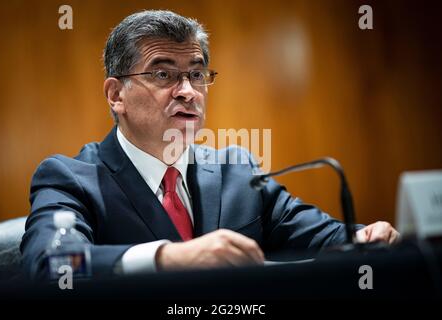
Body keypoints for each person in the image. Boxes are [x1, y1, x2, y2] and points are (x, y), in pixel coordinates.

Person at [20, 10, 399, 280]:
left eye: (197, 74)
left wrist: (365, 236)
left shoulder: (238, 170)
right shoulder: (70, 177)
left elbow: (325, 237)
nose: (187, 92)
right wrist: (168, 258)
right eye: (163, 73)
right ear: (116, 94)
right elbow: (53, 265)